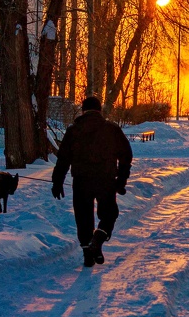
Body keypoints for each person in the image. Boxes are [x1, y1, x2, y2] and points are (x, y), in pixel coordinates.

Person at [52, 96, 134, 267]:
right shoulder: (111, 129)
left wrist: (57, 181)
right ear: (100, 111)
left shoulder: (74, 130)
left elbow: (63, 159)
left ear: (83, 110)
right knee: (109, 214)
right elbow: (126, 155)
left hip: (81, 181)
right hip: (106, 180)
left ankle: (87, 252)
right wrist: (121, 180)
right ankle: (97, 239)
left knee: (83, 217)